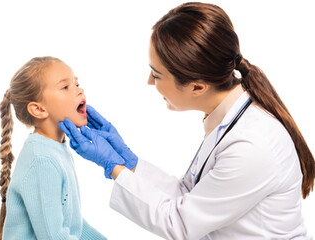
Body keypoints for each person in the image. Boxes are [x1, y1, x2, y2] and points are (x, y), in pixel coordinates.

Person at [59, 2, 314, 239]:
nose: (149, 82)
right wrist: (129, 162)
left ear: (197, 87)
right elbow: (189, 197)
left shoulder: (251, 145)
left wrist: (114, 167)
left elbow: (180, 223)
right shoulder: (230, 120)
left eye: (157, 75)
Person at [0, 56, 107, 240]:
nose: (79, 90)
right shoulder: (42, 160)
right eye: (65, 87)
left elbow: (72, 224)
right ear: (39, 110)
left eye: (76, 83)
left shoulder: (55, 149)